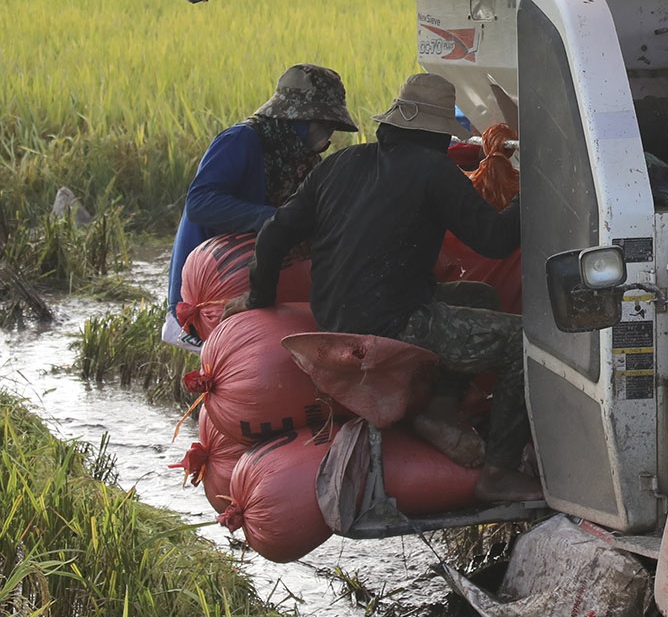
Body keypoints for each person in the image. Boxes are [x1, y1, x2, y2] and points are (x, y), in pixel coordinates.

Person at [237, 73, 539, 503]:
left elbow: (272, 236)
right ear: (438, 136)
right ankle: (500, 473)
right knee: (521, 340)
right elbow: (494, 240)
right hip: (396, 322)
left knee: (480, 298)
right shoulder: (434, 170)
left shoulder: (340, 164)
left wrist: (258, 300)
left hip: (335, 319)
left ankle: (439, 408)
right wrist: (530, 190)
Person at [163, 63, 356, 347]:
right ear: (300, 117)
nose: (329, 135)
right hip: (209, 287)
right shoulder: (241, 140)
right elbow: (200, 204)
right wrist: (274, 220)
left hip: (253, 282)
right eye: (325, 125)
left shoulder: (303, 159)